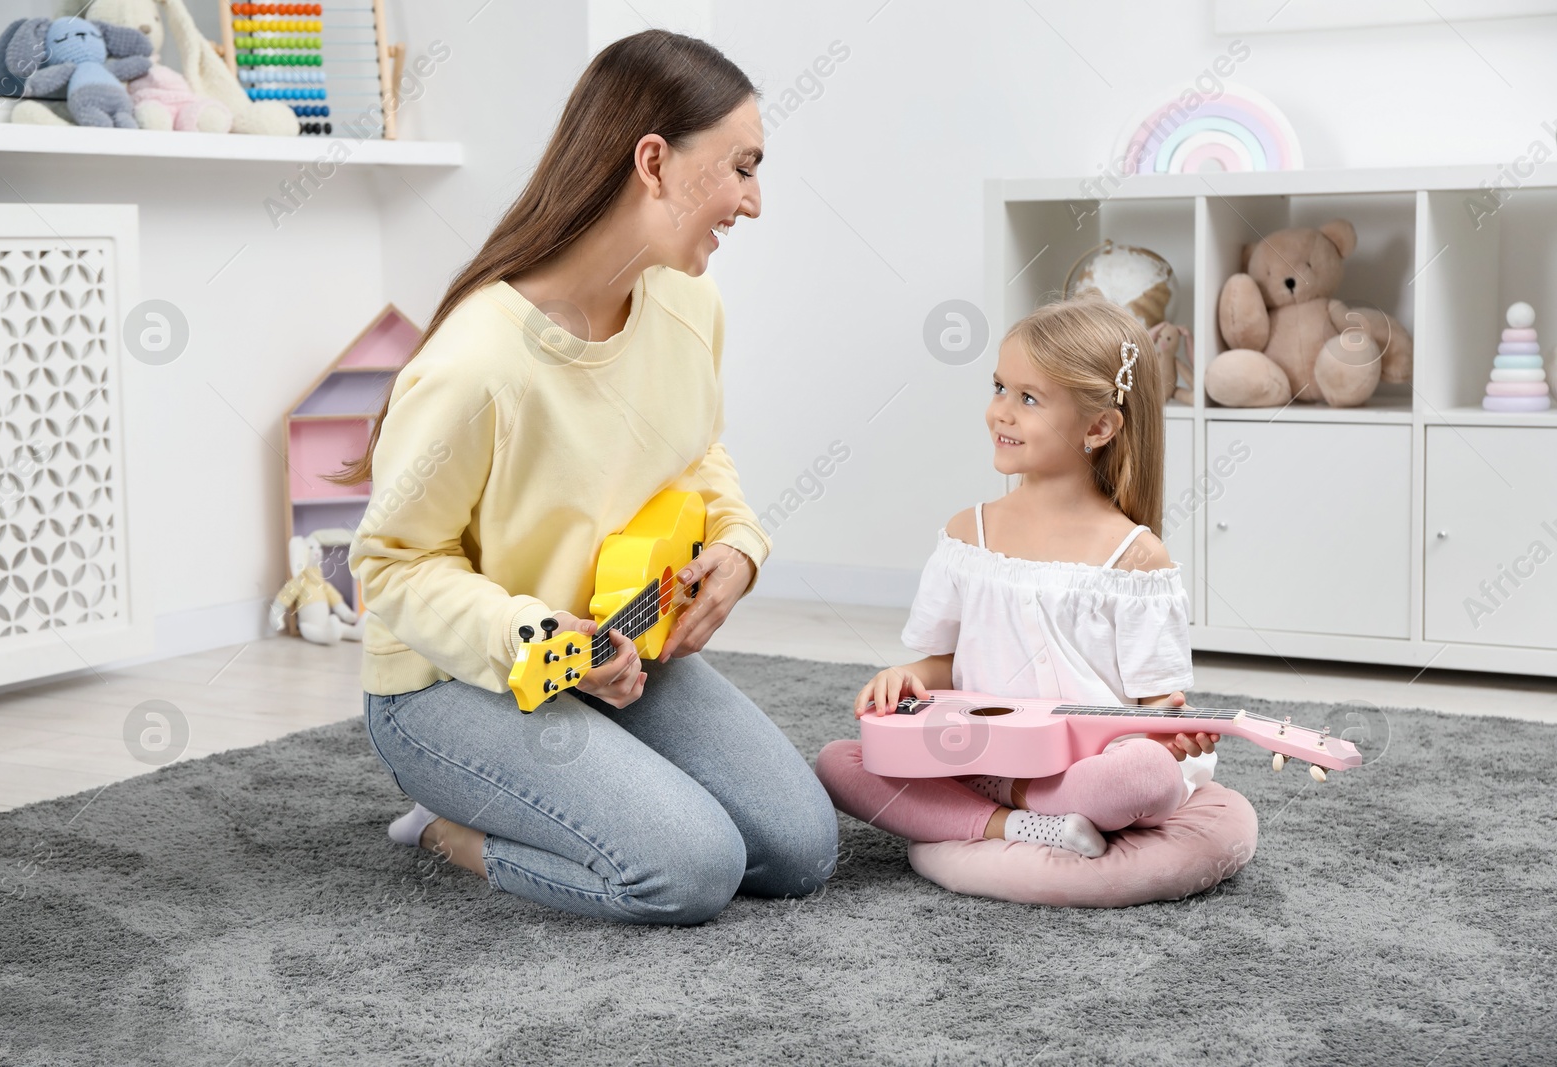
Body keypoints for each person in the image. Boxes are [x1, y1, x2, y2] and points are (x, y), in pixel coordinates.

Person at [340, 30, 837, 925]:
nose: (755, 202)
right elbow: (389, 565)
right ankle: (446, 827)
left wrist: (739, 543)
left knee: (801, 849)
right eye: (742, 168)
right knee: (692, 870)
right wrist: (533, 638)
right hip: (449, 686)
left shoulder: (689, 301)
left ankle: (589, 776)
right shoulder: (479, 363)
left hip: (619, 647)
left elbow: (697, 453)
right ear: (654, 161)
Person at [815, 295, 1219, 860]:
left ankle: (997, 807)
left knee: (1145, 776)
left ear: (1099, 426)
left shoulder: (1135, 559)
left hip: (1084, 764)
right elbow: (944, 664)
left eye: (1028, 398)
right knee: (840, 762)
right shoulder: (968, 536)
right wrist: (905, 675)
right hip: (976, 753)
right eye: (999, 387)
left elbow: (1157, 704)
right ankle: (1022, 824)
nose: (1001, 411)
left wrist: (1171, 734)